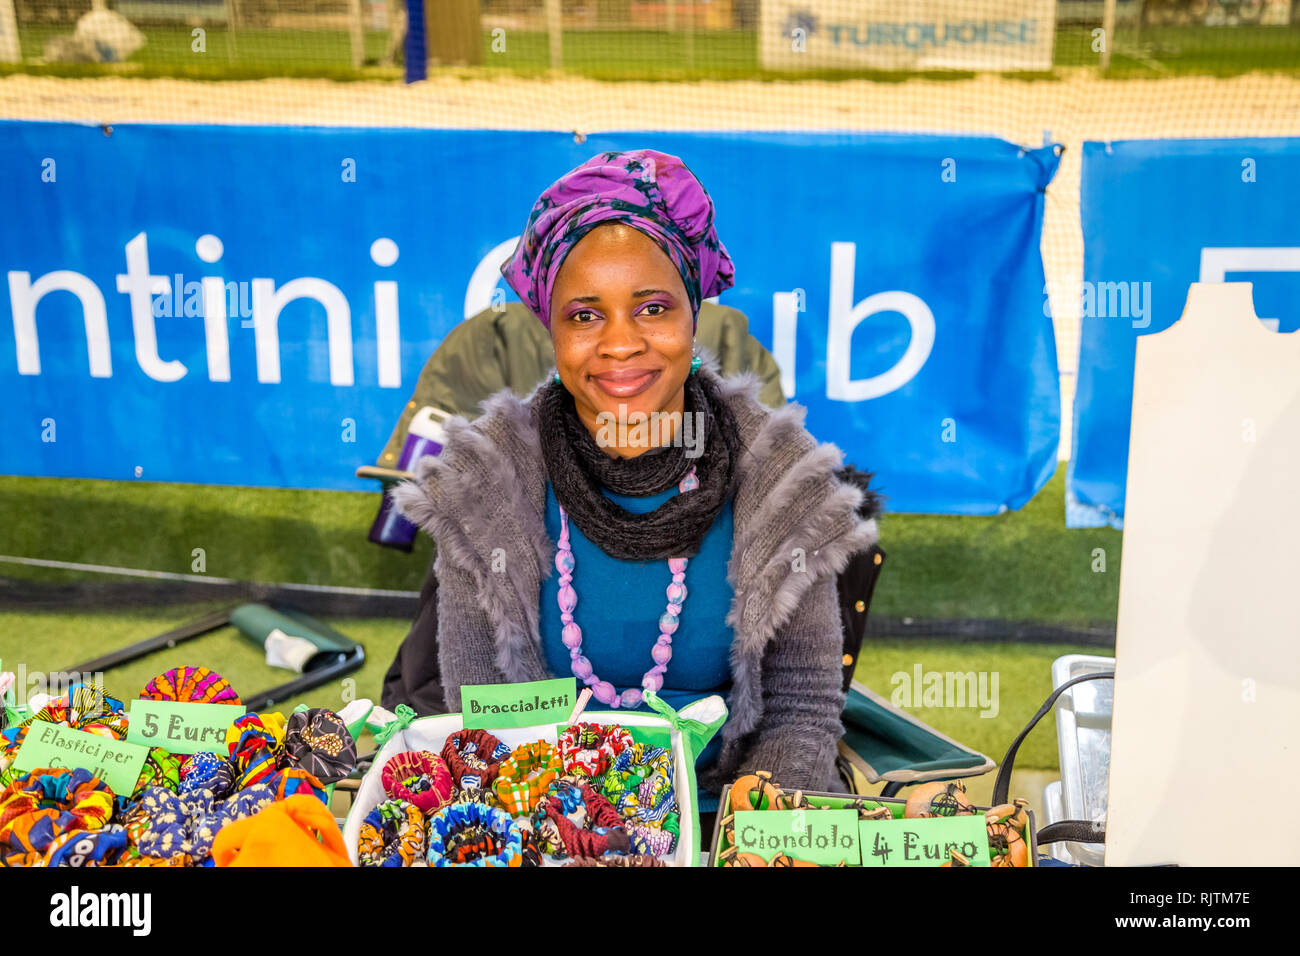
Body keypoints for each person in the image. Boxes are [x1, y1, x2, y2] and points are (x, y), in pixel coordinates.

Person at [390, 149, 878, 800]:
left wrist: (756, 820)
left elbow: (800, 709)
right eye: (585, 315)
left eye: (652, 308)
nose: (620, 343)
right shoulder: (488, 480)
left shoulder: (777, 477)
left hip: (720, 823)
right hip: (542, 813)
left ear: (693, 315)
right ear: (552, 331)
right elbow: (483, 717)